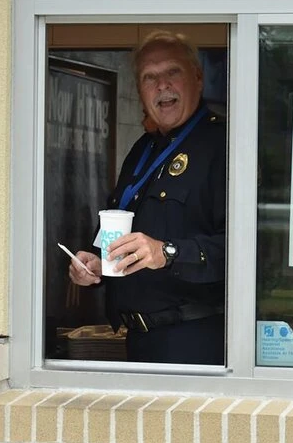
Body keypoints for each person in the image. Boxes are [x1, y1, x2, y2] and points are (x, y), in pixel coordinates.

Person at [68, 30, 226, 364]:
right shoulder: (143, 149)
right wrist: (97, 265)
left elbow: (241, 250)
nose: (162, 85)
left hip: (194, 339)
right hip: (138, 339)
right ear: (140, 91)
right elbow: (125, 229)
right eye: (149, 77)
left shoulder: (221, 145)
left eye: (173, 72)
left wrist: (166, 252)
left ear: (197, 78)